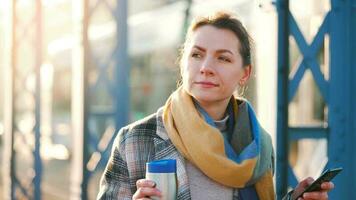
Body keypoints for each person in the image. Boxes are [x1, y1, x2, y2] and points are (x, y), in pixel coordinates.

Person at [97, 11, 334, 200]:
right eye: (197, 55)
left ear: (245, 73)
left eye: (223, 58)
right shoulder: (135, 139)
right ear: (183, 63)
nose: (206, 67)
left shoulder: (259, 145)